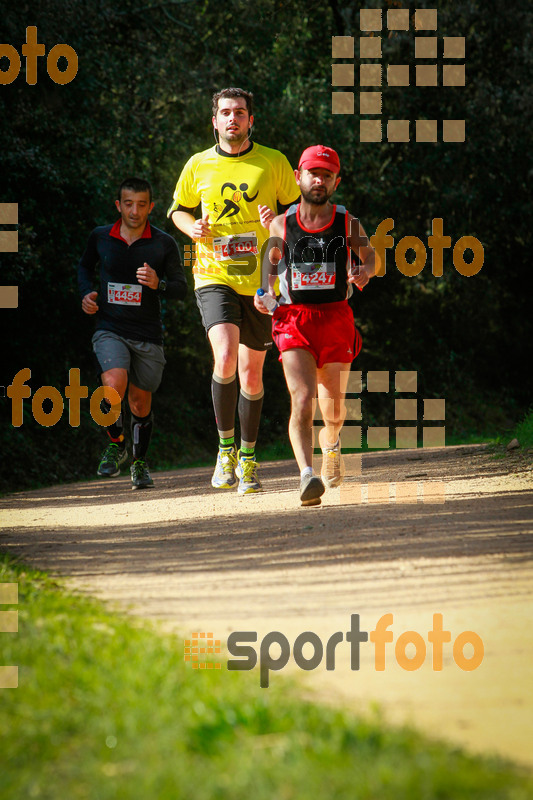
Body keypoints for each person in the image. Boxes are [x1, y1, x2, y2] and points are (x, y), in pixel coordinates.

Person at [168, 87, 300, 494]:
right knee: (224, 357)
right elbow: (177, 209)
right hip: (214, 274)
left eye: (239, 112)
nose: (232, 119)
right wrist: (194, 228)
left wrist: (275, 219)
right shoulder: (197, 165)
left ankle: (248, 457)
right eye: (225, 112)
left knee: (251, 374)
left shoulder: (273, 161)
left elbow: (300, 215)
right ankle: (225, 451)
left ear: (250, 120)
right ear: (214, 121)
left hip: (263, 278)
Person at [255, 145, 377, 506]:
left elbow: (370, 256)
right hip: (294, 319)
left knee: (334, 407)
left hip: (337, 317)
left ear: (336, 181)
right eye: (313, 173)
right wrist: (265, 294)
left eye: (326, 174)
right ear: (298, 177)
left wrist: (364, 272)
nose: (319, 180)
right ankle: (307, 476)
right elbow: (268, 272)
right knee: (303, 398)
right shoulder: (281, 223)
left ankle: (333, 444)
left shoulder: (345, 221)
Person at [78, 177, 188, 489]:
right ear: (118, 205)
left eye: (141, 204)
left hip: (147, 333)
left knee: (140, 402)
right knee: (113, 383)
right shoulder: (100, 237)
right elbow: (84, 267)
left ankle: (139, 463)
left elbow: (180, 288)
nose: (135, 210)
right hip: (109, 328)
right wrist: (86, 294)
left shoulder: (163, 243)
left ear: (151, 207)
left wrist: (158, 283)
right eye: (128, 204)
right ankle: (116, 444)